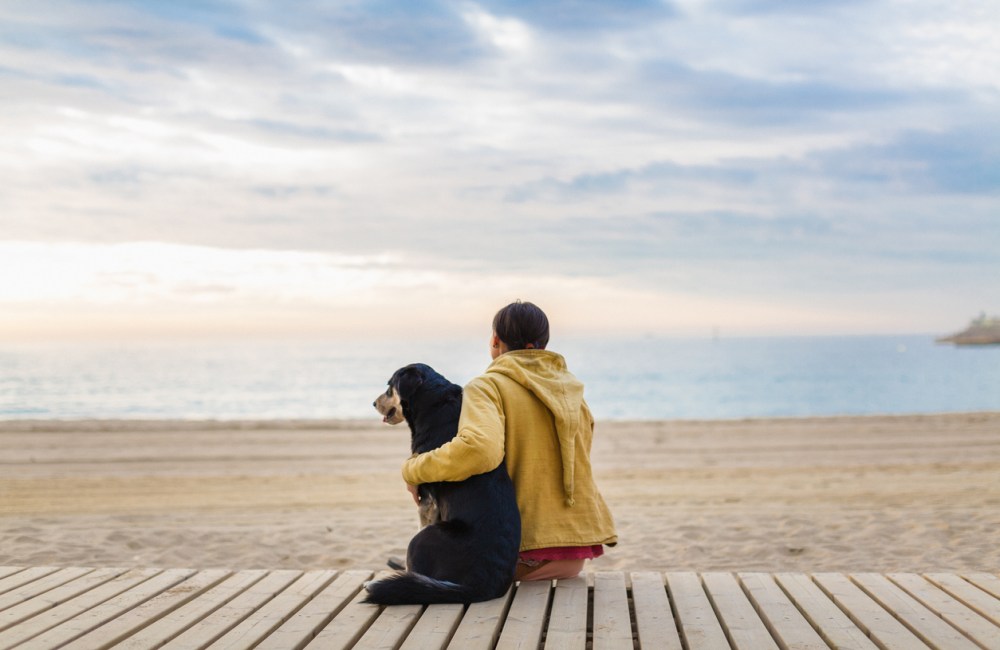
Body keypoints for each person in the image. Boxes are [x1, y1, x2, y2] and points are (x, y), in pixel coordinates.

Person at [402, 300, 617, 581]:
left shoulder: (487, 386)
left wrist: (413, 469)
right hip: (573, 557)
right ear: (543, 343)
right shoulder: (572, 389)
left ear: (494, 340)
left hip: (519, 552)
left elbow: (478, 451)